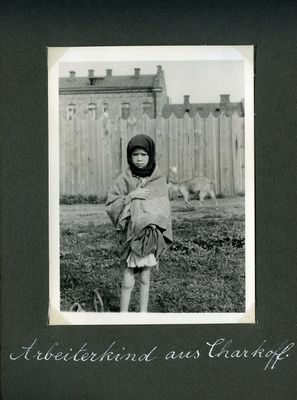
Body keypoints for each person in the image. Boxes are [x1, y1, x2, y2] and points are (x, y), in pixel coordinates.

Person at [106, 134, 172, 312]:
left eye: (143, 154)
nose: (139, 159)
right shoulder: (123, 179)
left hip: (150, 235)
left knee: (145, 276)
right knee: (128, 275)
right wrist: (130, 197)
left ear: (150, 155)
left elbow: (163, 208)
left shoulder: (158, 179)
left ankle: (143, 315)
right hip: (131, 235)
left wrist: (153, 226)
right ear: (129, 156)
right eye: (135, 155)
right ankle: (123, 315)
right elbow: (111, 205)